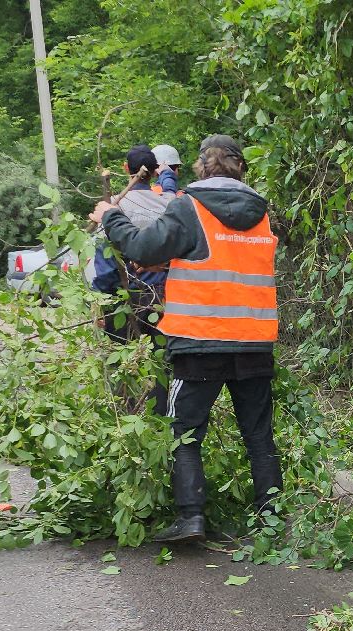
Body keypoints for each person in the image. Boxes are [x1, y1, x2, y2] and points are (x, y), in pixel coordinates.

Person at [91, 134, 282, 543]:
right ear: (240, 168)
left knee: (185, 430)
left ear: (201, 167)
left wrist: (110, 215)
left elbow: (140, 244)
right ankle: (272, 517)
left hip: (201, 341)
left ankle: (191, 516)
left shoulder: (189, 207)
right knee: (258, 433)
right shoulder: (263, 214)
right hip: (253, 342)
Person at [90, 145, 174, 346]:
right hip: (162, 299)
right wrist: (167, 175)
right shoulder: (168, 205)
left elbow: (106, 261)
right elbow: (170, 191)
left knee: (126, 365)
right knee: (159, 363)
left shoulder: (111, 208)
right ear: (154, 172)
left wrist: (98, 301)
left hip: (124, 299)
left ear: (126, 167)